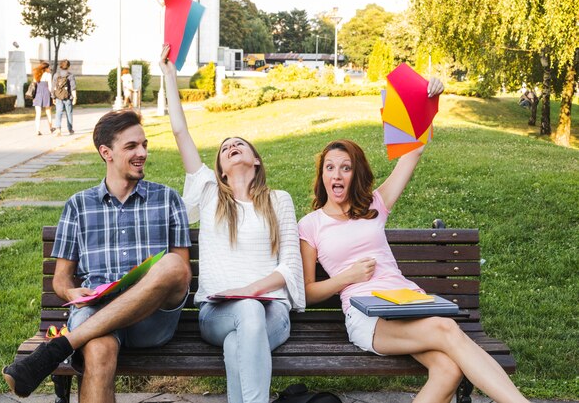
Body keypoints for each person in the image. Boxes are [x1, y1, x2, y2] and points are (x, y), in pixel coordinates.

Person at [299, 81, 531, 403]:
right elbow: (307, 291)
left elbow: (414, 151)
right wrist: (346, 278)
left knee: (449, 370)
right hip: (368, 314)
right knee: (447, 330)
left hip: (409, 301)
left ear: (356, 174)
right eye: (330, 167)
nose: (337, 174)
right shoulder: (311, 225)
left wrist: (428, 99)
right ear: (322, 176)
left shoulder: (374, 206)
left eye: (346, 167)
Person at [2, 109, 192, 402]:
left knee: (172, 264)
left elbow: (181, 275)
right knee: (99, 350)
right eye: (131, 146)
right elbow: (61, 279)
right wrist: (72, 290)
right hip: (96, 309)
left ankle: (60, 347)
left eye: (144, 144)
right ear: (106, 152)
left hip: (152, 320)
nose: (142, 152)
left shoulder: (168, 198)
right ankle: (71, 342)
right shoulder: (78, 205)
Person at [160, 43, 305, 403]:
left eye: (241, 144)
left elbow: (289, 266)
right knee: (243, 317)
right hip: (215, 313)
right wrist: (168, 75)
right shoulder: (209, 194)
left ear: (256, 160)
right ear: (221, 169)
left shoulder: (279, 200)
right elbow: (180, 133)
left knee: (239, 339)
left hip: (272, 312)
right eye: (226, 147)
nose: (233, 146)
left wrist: (251, 290)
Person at [52, 59, 77, 136]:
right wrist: (75, 97)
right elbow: (73, 88)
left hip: (58, 97)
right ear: (68, 66)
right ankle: (70, 129)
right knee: (69, 113)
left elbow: (53, 87)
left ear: (60, 65)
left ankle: (58, 129)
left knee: (58, 113)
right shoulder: (70, 75)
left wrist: (53, 97)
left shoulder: (56, 75)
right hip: (68, 97)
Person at [32, 62, 54, 136]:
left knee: (38, 114)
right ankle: (51, 128)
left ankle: (37, 130)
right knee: (48, 112)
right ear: (45, 68)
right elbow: (50, 87)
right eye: (48, 68)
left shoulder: (36, 75)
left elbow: (34, 85)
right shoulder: (48, 75)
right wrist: (53, 95)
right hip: (46, 94)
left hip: (38, 94)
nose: (49, 69)